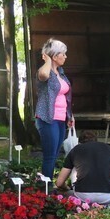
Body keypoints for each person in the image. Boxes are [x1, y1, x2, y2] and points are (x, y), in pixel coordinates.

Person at [55, 131, 110, 205]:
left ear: (79, 143)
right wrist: (108, 178)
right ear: (96, 141)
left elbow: (59, 183)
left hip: (82, 195)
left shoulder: (75, 150)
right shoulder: (107, 148)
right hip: (106, 196)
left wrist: (67, 188)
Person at [35, 38, 72, 179]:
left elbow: (66, 95)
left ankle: (47, 181)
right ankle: (47, 187)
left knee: (55, 154)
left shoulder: (61, 73)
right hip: (47, 118)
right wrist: (48, 61)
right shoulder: (44, 71)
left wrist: (70, 116)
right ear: (55, 56)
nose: (66, 56)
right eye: (63, 54)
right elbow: (43, 75)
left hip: (61, 118)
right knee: (50, 155)